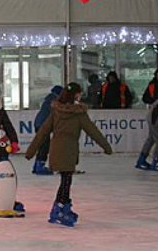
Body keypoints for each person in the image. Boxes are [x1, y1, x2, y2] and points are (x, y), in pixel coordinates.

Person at [24, 83, 112, 227]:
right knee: (66, 181)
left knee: (65, 180)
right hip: (69, 151)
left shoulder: (56, 111)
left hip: (57, 150)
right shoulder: (78, 113)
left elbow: (43, 132)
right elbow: (93, 131)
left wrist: (30, 152)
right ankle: (59, 209)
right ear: (76, 95)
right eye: (79, 93)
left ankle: (60, 207)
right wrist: (106, 147)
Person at [31, 85, 63, 175]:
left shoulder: (49, 100)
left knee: (42, 145)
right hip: (43, 125)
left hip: (39, 123)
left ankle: (36, 165)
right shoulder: (54, 101)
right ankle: (39, 166)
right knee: (44, 146)